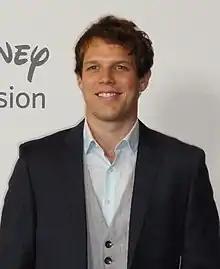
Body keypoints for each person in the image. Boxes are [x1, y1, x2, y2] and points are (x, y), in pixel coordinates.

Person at [0, 14, 219, 269]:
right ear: (80, 80)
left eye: (120, 67)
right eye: (94, 67)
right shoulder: (36, 162)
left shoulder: (184, 165)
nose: (106, 78)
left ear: (143, 80)